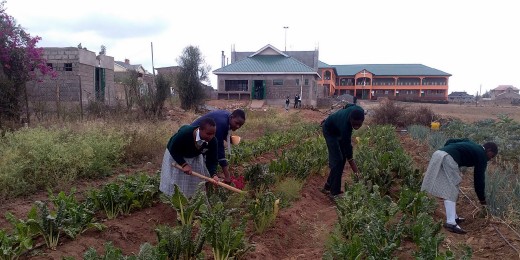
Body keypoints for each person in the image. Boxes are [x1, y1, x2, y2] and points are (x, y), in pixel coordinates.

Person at [421, 139, 498, 234]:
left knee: (453, 185)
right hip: (448, 157)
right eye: (492, 156)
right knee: (451, 189)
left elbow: (450, 141)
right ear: (488, 150)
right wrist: (482, 201)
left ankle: (454, 217)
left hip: (439, 153)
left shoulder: (472, 144)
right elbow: (479, 180)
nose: (490, 159)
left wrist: (447, 150)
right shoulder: (482, 155)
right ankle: (451, 223)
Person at [160, 117, 219, 198]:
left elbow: (212, 160)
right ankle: (174, 199)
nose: (211, 137)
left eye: (213, 134)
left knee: (195, 181)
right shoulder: (185, 133)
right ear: (200, 129)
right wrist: (183, 164)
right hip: (176, 156)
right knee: (176, 180)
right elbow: (173, 149)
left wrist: (213, 174)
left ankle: (191, 198)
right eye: (208, 134)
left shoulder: (212, 141)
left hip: (194, 156)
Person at [320, 103, 365, 199]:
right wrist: (355, 169)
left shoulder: (359, 110)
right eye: (354, 124)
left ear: (363, 120)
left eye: (358, 124)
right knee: (338, 160)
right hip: (330, 131)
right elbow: (347, 147)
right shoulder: (345, 127)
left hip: (337, 129)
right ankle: (334, 192)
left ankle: (328, 186)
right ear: (350, 119)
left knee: (342, 159)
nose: (356, 127)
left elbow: (347, 105)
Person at [191, 109, 246, 184]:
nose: (238, 126)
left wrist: (229, 139)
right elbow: (220, 150)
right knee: (199, 164)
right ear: (232, 117)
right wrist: (227, 176)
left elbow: (222, 134)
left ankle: (209, 177)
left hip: (202, 138)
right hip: (193, 140)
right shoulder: (222, 123)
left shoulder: (228, 117)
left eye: (240, 125)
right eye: (237, 123)